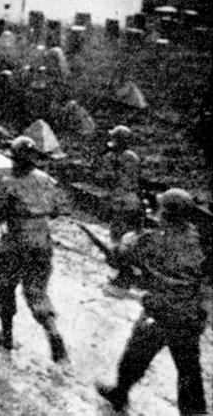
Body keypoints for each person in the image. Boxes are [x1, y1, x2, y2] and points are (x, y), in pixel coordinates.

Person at [96, 188, 210, 415]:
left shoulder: (150, 240)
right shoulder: (201, 242)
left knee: (135, 354)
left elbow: (120, 258)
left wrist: (122, 245)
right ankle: (195, 412)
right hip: (189, 314)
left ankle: (120, 393)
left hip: (159, 312)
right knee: (189, 369)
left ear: (164, 214)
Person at [0, 136, 68, 363]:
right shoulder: (46, 180)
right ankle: (53, 333)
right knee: (37, 291)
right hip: (42, 241)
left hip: (16, 241)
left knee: (6, 287)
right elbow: (56, 210)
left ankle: (6, 333)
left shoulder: (8, 182)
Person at [100, 125, 144, 288]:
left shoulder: (111, 157)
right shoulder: (133, 156)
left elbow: (104, 177)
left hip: (119, 201)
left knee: (117, 239)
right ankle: (135, 270)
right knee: (133, 237)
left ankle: (123, 276)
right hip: (134, 199)